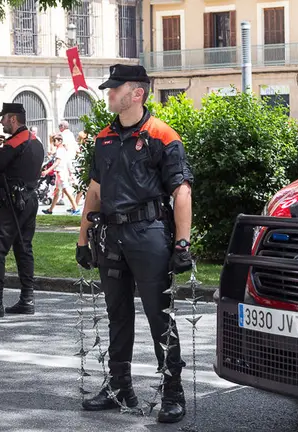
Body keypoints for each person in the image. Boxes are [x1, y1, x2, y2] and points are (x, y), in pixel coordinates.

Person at [76, 64, 194, 423]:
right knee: (118, 314)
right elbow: (94, 191)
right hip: (112, 236)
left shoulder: (162, 135)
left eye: (115, 88)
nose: (109, 93)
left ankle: (173, 393)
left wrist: (183, 243)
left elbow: (181, 191)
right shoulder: (103, 138)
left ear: (137, 93)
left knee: (160, 315)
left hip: (149, 234)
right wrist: (82, 238)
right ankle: (118, 387)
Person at [0, 103, 44, 318]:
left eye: (4, 118)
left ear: (13, 119)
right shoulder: (36, 142)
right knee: (23, 248)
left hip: (11, 203)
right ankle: (27, 298)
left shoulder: (14, 143)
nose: (1, 122)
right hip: (29, 200)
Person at [41, 133, 79, 215]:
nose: (54, 142)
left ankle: (76, 208)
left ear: (60, 141)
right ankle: (50, 210)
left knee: (66, 191)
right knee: (57, 192)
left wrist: (47, 171)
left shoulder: (60, 150)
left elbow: (57, 163)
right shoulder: (61, 149)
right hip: (60, 173)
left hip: (61, 173)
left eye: (55, 141)